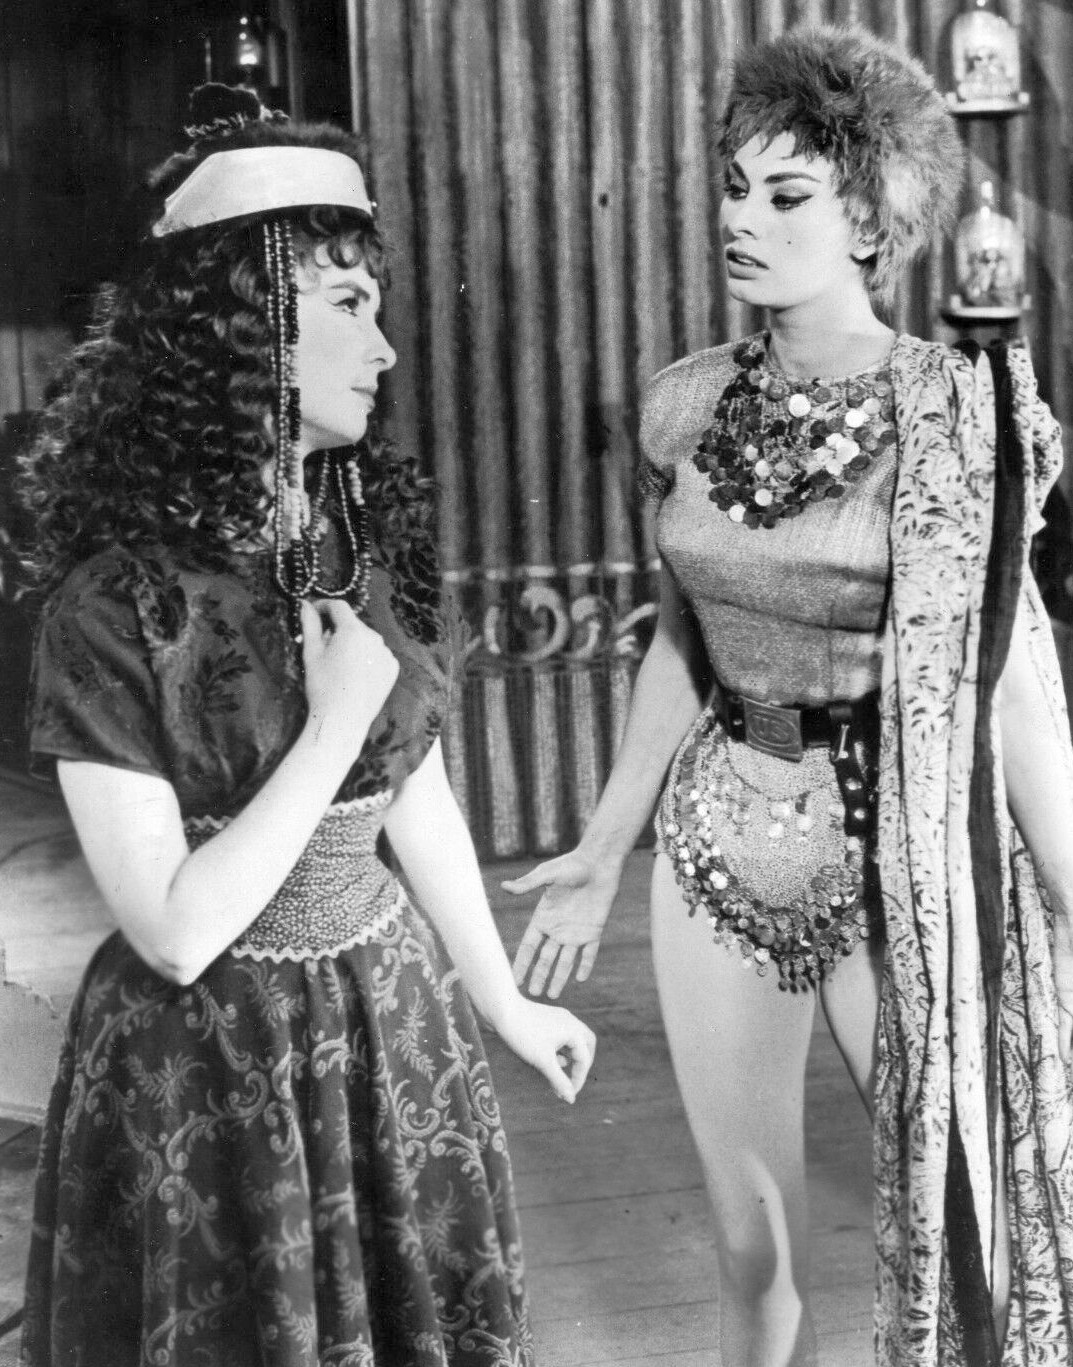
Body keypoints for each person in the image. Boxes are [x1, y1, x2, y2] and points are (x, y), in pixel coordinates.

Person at [509, 25, 1073, 1367]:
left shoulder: (961, 413)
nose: (738, 219)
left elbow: (1006, 679)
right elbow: (679, 638)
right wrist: (598, 847)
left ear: (871, 221)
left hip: (900, 855)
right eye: (731, 187)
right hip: (718, 840)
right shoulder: (681, 406)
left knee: (968, 1226)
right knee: (752, 1247)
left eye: (784, 194)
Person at [16, 83, 595, 1367]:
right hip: (208, 1062)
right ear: (245, 330)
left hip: (392, 1018)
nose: (382, 349)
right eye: (346, 306)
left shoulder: (356, 544)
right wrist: (330, 725)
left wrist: (501, 998)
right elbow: (174, 933)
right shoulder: (111, 605)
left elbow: (411, 785)